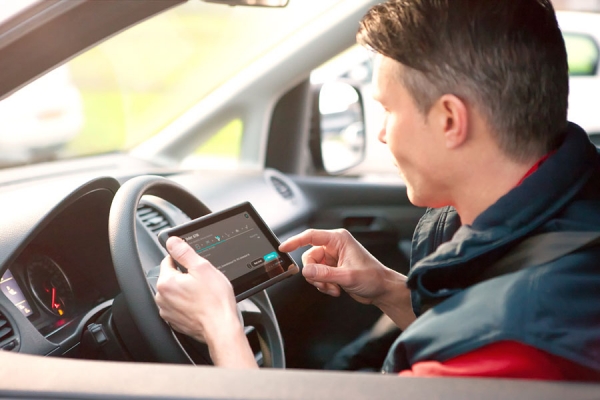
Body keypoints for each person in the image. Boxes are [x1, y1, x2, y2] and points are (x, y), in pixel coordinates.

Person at [155, 0, 600, 379]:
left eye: (387, 108)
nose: (383, 134)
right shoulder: (574, 204)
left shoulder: (512, 347)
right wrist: (387, 287)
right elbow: (466, 323)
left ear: (450, 120)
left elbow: (479, 337)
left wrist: (219, 327)